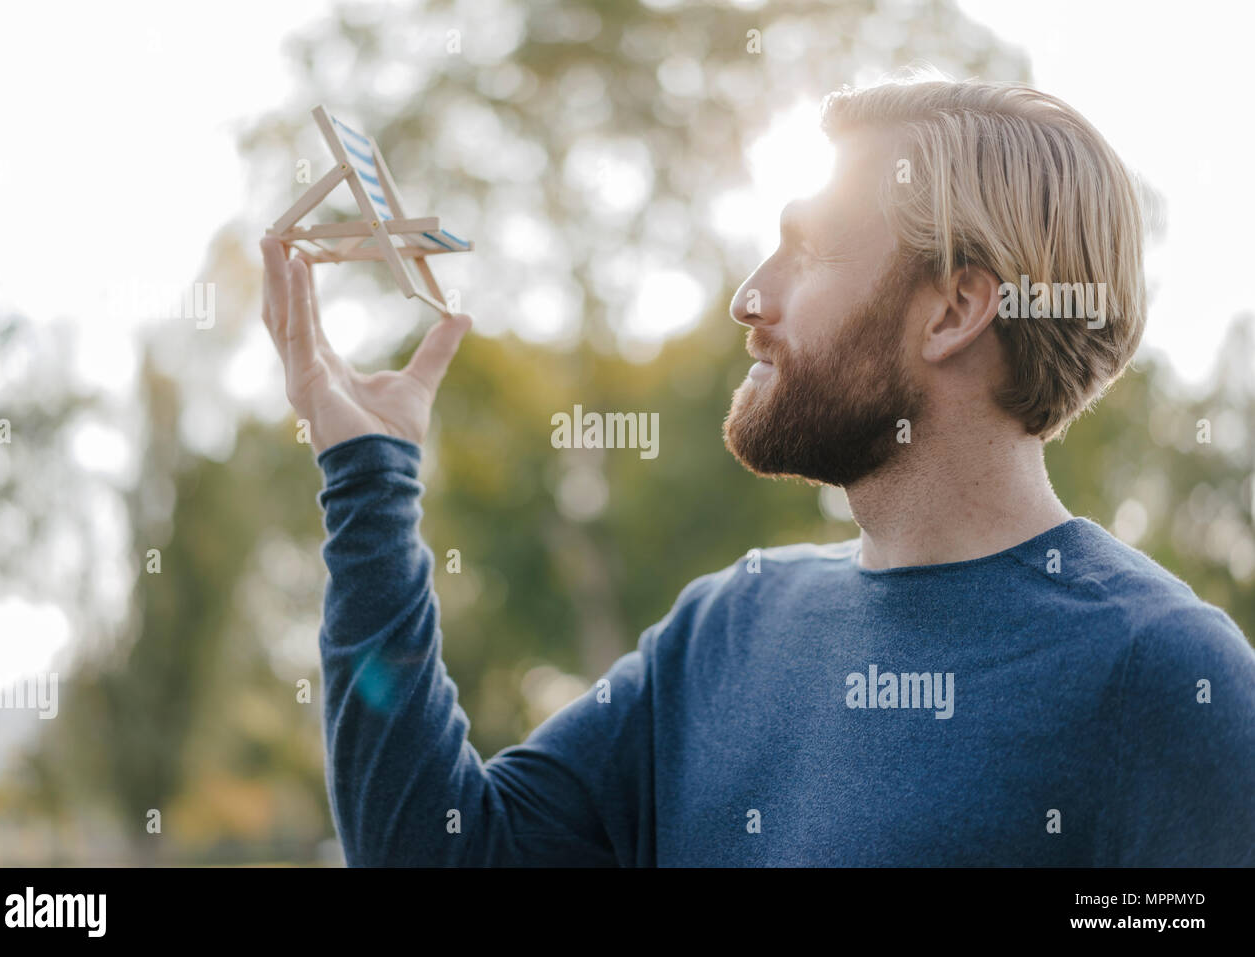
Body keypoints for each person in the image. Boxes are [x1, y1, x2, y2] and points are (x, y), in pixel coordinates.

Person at [259, 77, 1255, 866]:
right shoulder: (726, 628)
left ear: (953, 311)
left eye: (808, 253)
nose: (748, 297)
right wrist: (368, 474)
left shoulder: (1165, 678)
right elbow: (434, 854)